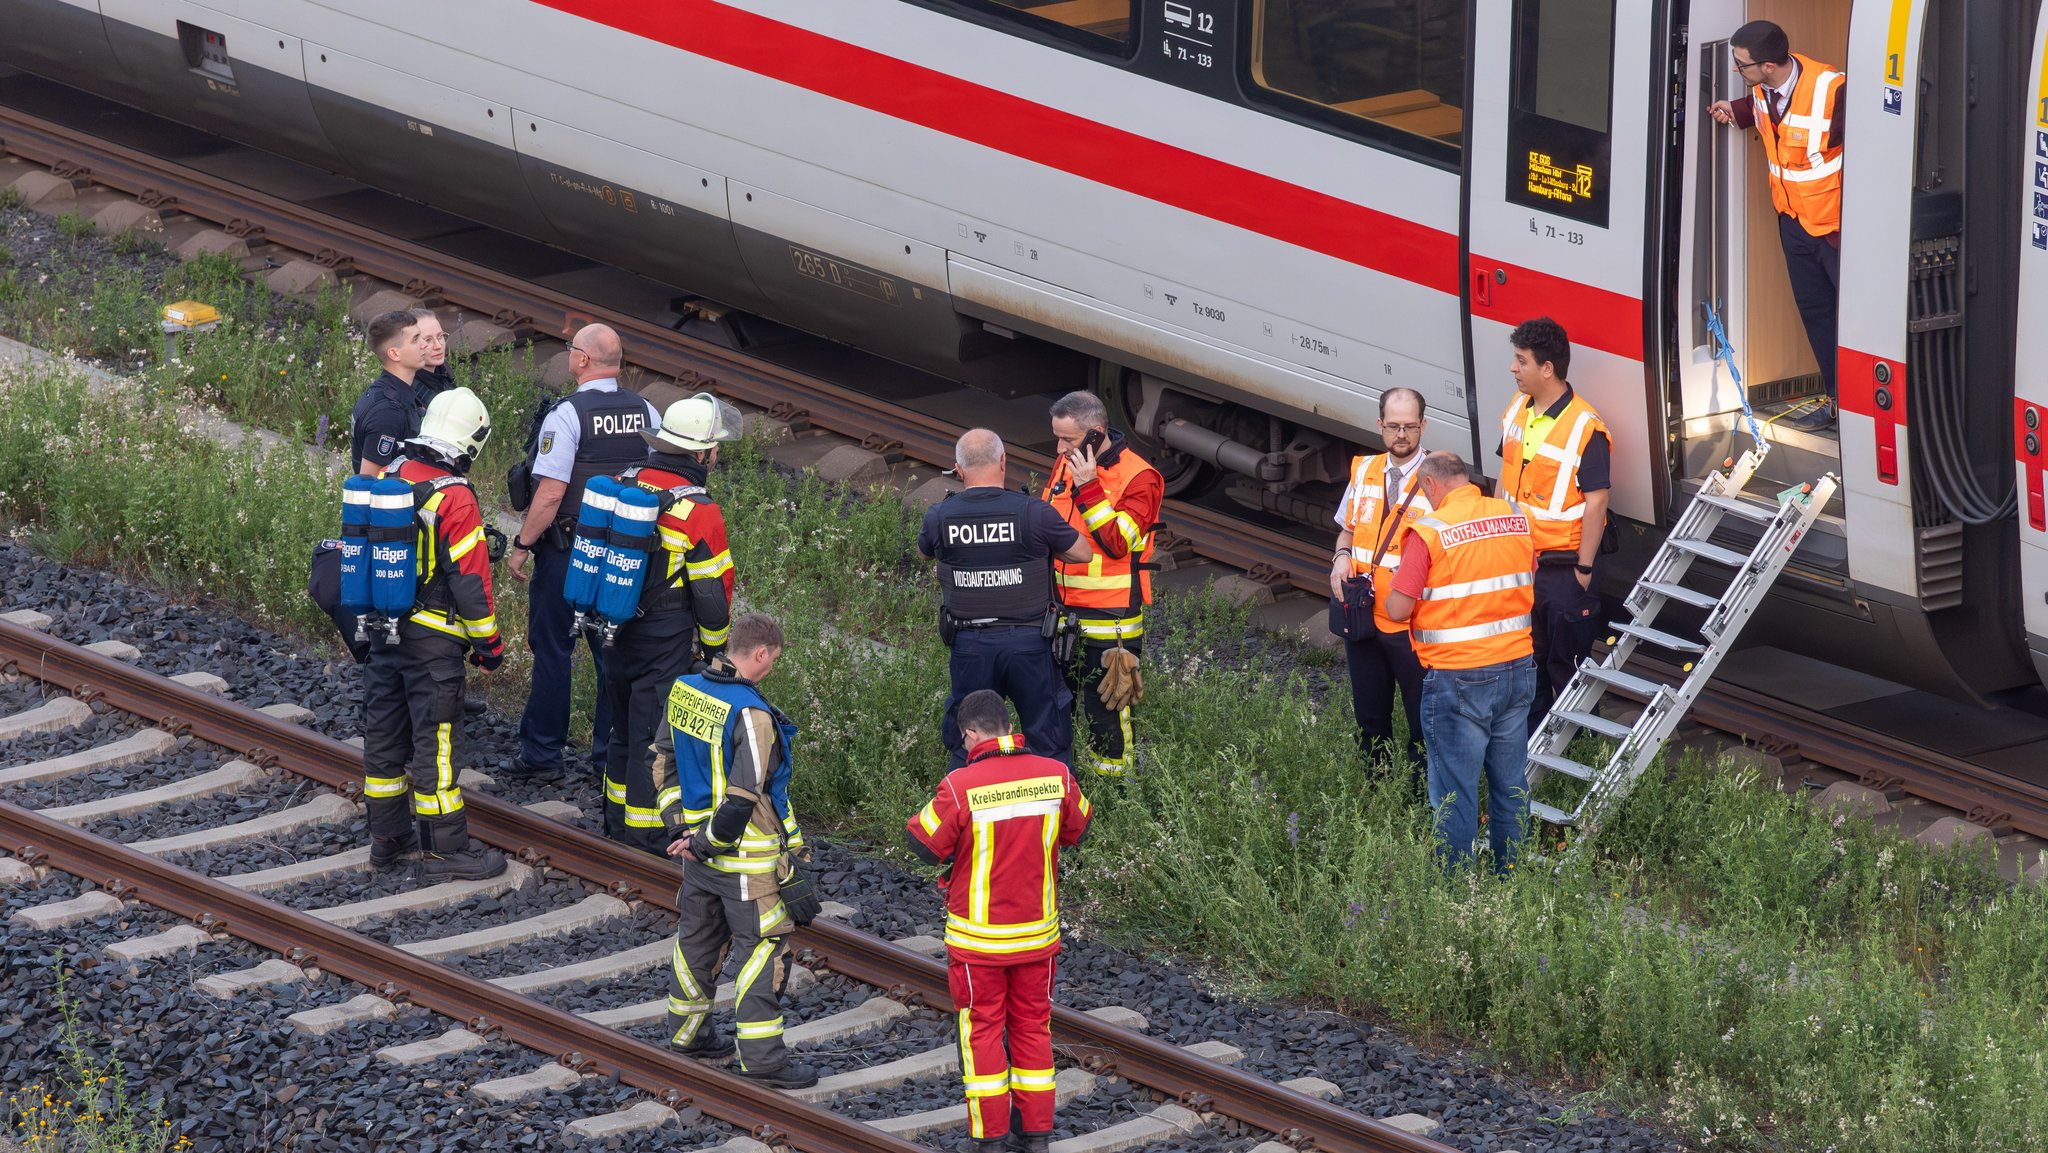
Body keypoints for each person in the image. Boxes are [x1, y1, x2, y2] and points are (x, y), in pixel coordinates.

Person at [906, 689, 1092, 1153]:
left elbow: (923, 843)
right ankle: (1037, 1136)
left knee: (983, 1030)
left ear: (971, 733)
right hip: (1037, 936)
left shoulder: (960, 785)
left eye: (963, 740)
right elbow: (1079, 828)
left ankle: (989, 1138)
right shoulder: (1057, 776)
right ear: (1008, 727)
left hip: (979, 942)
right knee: (1033, 1028)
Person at [654, 614, 820, 1090]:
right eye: (774, 661)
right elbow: (747, 794)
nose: (772, 669)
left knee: (696, 941)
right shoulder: (752, 714)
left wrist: (682, 830)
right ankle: (764, 1061)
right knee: (760, 954)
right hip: (744, 863)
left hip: (696, 855)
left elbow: (662, 761)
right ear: (761, 653)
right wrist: (709, 843)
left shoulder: (685, 689)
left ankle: (689, 1035)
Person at [360, 386, 509, 881]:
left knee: (384, 736)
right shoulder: (455, 496)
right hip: (433, 643)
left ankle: (388, 839)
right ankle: (447, 851)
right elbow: (470, 582)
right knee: (437, 744)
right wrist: (490, 647)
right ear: (470, 442)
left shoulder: (390, 475)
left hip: (384, 630)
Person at [505, 324, 659, 776]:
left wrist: (522, 543)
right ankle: (608, 759)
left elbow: (551, 492)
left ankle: (542, 754)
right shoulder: (647, 411)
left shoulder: (568, 415)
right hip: (625, 553)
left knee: (554, 647)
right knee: (613, 653)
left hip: (568, 552)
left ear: (583, 360)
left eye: (572, 349)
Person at [1381, 453, 1535, 873]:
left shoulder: (1429, 532)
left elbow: (1397, 610)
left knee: (1455, 789)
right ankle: (1512, 878)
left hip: (1459, 677)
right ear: (1465, 480)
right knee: (1510, 784)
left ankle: (1455, 892)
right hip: (1518, 668)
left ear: (1431, 486)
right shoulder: (1512, 515)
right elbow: (1524, 573)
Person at [602, 393, 740, 854]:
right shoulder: (698, 510)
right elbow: (711, 591)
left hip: (610, 623)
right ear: (700, 454)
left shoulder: (625, 480)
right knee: (650, 735)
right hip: (663, 633)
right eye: (715, 448)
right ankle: (645, 832)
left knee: (621, 726)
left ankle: (615, 822)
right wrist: (714, 648)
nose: (716, 455)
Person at [919, 429, 1093, 769]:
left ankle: (968, 811)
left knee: (969, 738)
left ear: (959, 469)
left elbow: (925, 552)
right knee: (1048, 738)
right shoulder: (1033, 512)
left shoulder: (940, 516)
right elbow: (1082, 553)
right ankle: (1055, 812)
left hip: (970, 645)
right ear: (1003, 462)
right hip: (1030, 644)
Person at [1708, 19, 1844, 432]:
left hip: (1838, 229)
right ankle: (1839, 403)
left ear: (1768, 66)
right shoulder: (1762, 92)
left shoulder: (1833, 90)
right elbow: (1769, 114)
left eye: (1741, 65)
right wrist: (1734, 110)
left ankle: (1866, 410)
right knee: (1817, 314)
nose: (1737, 71)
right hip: (1795, 225)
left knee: (1851, 321)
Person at [1040, 391, 1163, 779]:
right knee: (1057, 709)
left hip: (1111, 626)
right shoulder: (1067, 462)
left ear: (1095, 434)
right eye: (1058, 439)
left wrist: (1089, 486)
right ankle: (1066, 792)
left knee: (1106, 718)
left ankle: (1117, 799)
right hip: (1061, 615)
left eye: (1068, 440)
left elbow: (1117, 543)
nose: (1060, 449)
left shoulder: (1139, 477)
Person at [1499, 318, 1609, 732]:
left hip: (1562, 571)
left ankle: (1579, 754)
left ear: (1547, 368)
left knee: (1567, 668)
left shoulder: (1585, 427)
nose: (1513, 367)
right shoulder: (1517, 410)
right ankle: (1534, 751)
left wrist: (1583, 570)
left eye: (1520, 360)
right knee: (1530, 664)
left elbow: (1598, 503)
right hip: (1520, 564)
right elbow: (1505, 477)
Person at [1330, 387, 1431, 779]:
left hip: (1413, 627)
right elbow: (1347, 531)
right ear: (1380, 425)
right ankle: (1377, 796)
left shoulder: (1437, 482)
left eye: (1409, 426)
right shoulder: (1365, 471)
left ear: (1424, 426)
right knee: (1370, 721)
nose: (1401, 434)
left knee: (1423, 726)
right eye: (1393, 426)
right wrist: (1340, 557)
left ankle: (1422, 805)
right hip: (1365, 619)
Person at [348, 310, 428, 477]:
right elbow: (369, 482)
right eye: (415, 340)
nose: (424, 344)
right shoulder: (387, 413)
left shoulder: (392, 391)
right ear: (394, 353)